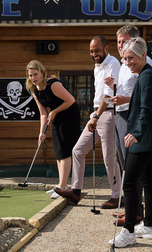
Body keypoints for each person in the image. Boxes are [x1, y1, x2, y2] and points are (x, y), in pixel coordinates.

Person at [109, 37, 152, 248]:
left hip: (144, 139)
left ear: (143, 55)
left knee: (129, 182)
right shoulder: (145, 75)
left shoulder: (146, 77)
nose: (128, 62)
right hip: (149, 137)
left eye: (132, 58)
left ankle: (128, 232)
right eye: (125, 59)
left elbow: (146, 109)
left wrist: (135, 133)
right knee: (147, 180)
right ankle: (149, 225)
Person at [55, 36, 121, 208]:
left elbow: (107, 94)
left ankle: (117, 196)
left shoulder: (113, 63)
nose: (94, 54)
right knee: (77, 150)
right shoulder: (97, 67)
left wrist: (96, 116)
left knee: (108, 157)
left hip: (107, 114)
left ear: (106, 48)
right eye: (91, 51)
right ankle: (76, 191)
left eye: (97, 50)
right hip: (97, 113)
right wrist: (94, 115)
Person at [106, 25, 152, 226]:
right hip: (121, 114)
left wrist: (123, 98)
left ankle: (136, 213)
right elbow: (130, 90)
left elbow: (145, 95)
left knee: (133, 170)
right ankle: (132, 210)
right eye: (118, 41)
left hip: (132, 117)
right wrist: (114, 88)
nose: (120, 45)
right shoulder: (124, 62)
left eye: (124, 41)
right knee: (128, 166)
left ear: (135, 42)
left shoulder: (143, 63)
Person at [26, 60, 81, 199]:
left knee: (65, 150)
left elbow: (71, 100)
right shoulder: (34, 89)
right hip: (56, 116)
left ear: (42, 73)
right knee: (58, 150)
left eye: (35, 74)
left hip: (69, 116)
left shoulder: (53, 84)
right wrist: (41, 132)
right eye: (31, 75)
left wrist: (55, 111)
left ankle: (61, 187)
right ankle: (62, 185)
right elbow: (43, 113)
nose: (33, 78)